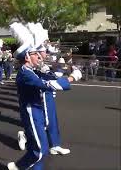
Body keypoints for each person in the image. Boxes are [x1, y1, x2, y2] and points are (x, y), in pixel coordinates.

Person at [7, 22, 82, 170]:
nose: (39, 56)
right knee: (40, 151)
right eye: (35, 54)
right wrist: (72, 78)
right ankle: (17, 167)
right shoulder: (25, 73)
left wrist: (64, 70)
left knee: (42, 148)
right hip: (31, 113)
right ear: (27, 57)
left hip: (38, 111)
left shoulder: (32, 70)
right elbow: (49, 85)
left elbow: (50, 78)